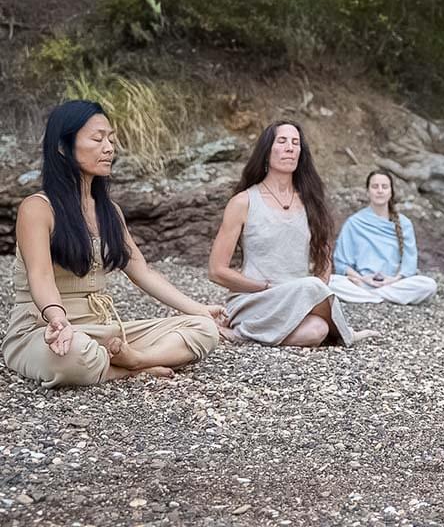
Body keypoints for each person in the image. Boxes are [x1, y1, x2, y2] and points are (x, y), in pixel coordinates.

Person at [2, 100, 222, 388]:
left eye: (111, 140)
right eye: (97, 139)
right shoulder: (37, 208)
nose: (108, 148)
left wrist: (200, 309)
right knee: (74, 355)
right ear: (62, 147)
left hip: (103, 330)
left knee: (204, 329)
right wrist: (57, 318)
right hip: (45, 330)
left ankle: (136, 361)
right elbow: (40, 276)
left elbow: (143, 272)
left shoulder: (110, 211)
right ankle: (130, 368)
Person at [208, 120, 375, 347]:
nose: (290, 148)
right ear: (266, 151)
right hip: (256, 298)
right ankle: (346, 333)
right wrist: (265, 287)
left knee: (317, 330)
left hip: (299, 298)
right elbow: (216, 271)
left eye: (296, 143)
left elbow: (325, 256)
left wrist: (317, 291)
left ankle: (242, 334)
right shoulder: (243, 202)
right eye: (282, 141)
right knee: (312, 287)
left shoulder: (311, 202)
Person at [328, 170, 438, 305]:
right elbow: (342, 263)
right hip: (362, 282)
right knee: (330, 282)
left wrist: (394, 280)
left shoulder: (404, 224)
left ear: (391, 192)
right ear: (368, 191)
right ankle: (381, 298)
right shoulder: (354, 223)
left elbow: (409, 265)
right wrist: (360, 279)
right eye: (375, 187)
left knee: (428, 284)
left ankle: (369, 297)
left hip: (392, 284)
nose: (380, 191)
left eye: (384, 187)